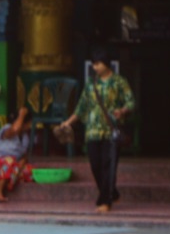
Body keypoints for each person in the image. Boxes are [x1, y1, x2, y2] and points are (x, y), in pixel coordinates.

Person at [56, 52, 135, 212]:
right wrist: (68, 122)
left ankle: (104, 201)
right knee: (95, 165)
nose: (95, 67)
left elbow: (131, 101)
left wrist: (122, 111)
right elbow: (81, 107)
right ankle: (112, 192)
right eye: (93, 64)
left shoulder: (119, 82)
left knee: (108, 166)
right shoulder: (91, 84)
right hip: (92, 131)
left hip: (110, 131)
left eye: (98, 63)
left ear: (106, 63)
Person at [0, 107, 36, 203]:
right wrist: (22, 114)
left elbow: (23, 155)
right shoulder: (6, 129)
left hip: (10, 166)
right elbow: (15, 129)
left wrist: (21, 164)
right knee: (8, 161)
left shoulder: (25, 137)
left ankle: (1, 179)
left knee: (28, 171)